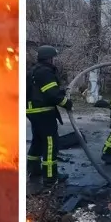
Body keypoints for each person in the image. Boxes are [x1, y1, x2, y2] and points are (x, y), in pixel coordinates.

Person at [25, 45, 72, 184]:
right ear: (50, 58)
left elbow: (42, 91)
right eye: (53, 58)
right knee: (51, 143)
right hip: (44, 112)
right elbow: (52, 94)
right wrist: (66, 103)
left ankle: (33, 170)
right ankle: (50, 176)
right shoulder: (45, 72)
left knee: (38, 141)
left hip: (33, 111)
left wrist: (60, 92)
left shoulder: (33, 71)